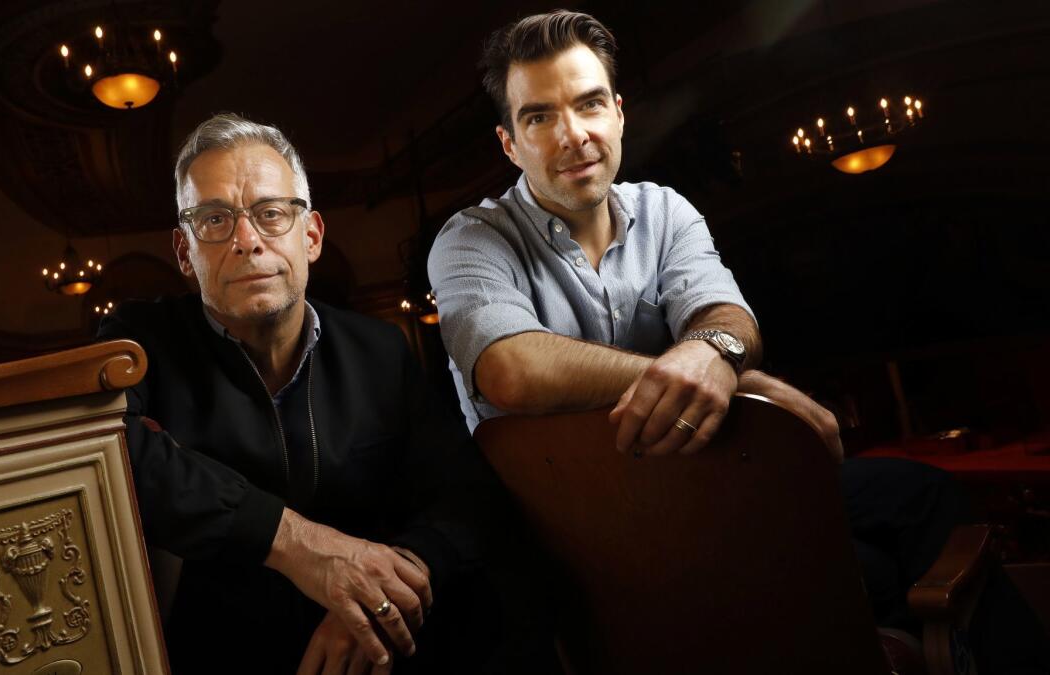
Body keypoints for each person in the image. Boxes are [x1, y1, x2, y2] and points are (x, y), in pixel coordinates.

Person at [429, 10, 1048, 673]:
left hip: (705, 488)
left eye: (588, 104)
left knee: (919, 496)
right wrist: (731, 374)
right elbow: (512, 369)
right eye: (540, 117)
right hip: (577, 535)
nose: (573, 135)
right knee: (868, 566)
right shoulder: (472, 237)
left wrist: (713, 353)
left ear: (618, 111)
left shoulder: (664, 210)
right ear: (509, 143)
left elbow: (731, 319)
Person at [98, 113, 499, 674]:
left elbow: (464, 497)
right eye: (213, 219)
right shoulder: (140, 342)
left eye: (269, 214)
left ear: (309, 235)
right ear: (185, 253)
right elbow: (111, 456)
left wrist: (374, 600)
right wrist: (302, 548)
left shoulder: (381, 350)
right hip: (222, 654)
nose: (245, 242)